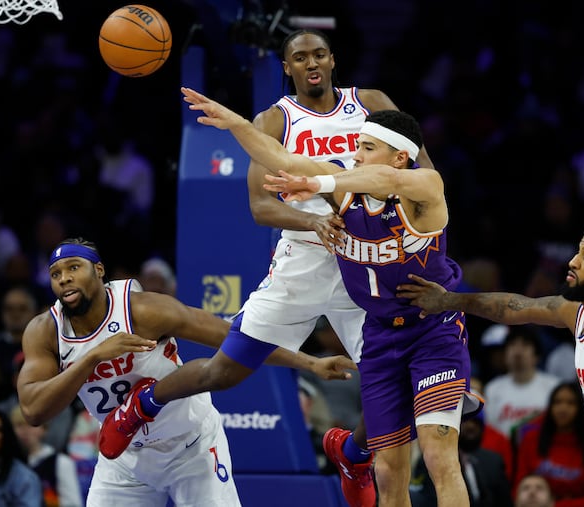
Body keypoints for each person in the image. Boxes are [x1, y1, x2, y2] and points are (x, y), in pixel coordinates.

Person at [103, 28, 437, 507]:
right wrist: (311, 221)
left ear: (333, 59)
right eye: (300, 57)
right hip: (303, 259)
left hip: (365, 262)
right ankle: (145, 402)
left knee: (397, 385)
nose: (311, 62)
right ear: (288, 68)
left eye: (319, 54)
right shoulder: (274, 120)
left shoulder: (370, 101)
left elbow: (423, 171)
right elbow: (261, 206)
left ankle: (354, 453)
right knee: (224, 372)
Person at [142, 90, 483, 507]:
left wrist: (320, 182)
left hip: (432, 333)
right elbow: (282, 159)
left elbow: (387, 181)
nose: (354, 155)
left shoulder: (425, 187)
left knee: (437, 455)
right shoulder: (345, 188)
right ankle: (353, 456)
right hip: (380, 336)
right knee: (390, 470)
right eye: (356, 145)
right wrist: (237, 124)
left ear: (398, 155)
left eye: (367, 147)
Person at [18, 238, 353, 507]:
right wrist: (91, 359)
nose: (64, 279)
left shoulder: (145, 310)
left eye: (73, 267)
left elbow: (234, 338)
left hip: (189, 446)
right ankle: (140, 405)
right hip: (125, 460)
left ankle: (147, 400)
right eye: (56, 273)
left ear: (99, 270)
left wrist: (309, 362)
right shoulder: (44, 331)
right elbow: (34, 409)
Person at [397, 219, 584, 505]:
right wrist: (448, 300)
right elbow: (514, 307)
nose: (573, 261)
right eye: (577, 251)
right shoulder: (576, 313)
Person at [513, 381, 584, 507]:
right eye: (557, 402)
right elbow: (518, 487)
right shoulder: (531, 440)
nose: (563, 408)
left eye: (571, 403)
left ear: (582, 407)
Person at [482, 325, 560, 441]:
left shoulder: (553, 387)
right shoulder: (492, 389)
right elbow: (490, 429)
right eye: (512, 345)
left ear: (537, 356)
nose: (518, 352)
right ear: (505, 354)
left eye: (525, 345)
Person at [10, 404, 83, 507]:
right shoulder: (8, 463)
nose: (25, 431)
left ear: (44, 429)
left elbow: (73, 503)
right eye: (19, 425)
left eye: (31, 425)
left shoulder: (61, 462)